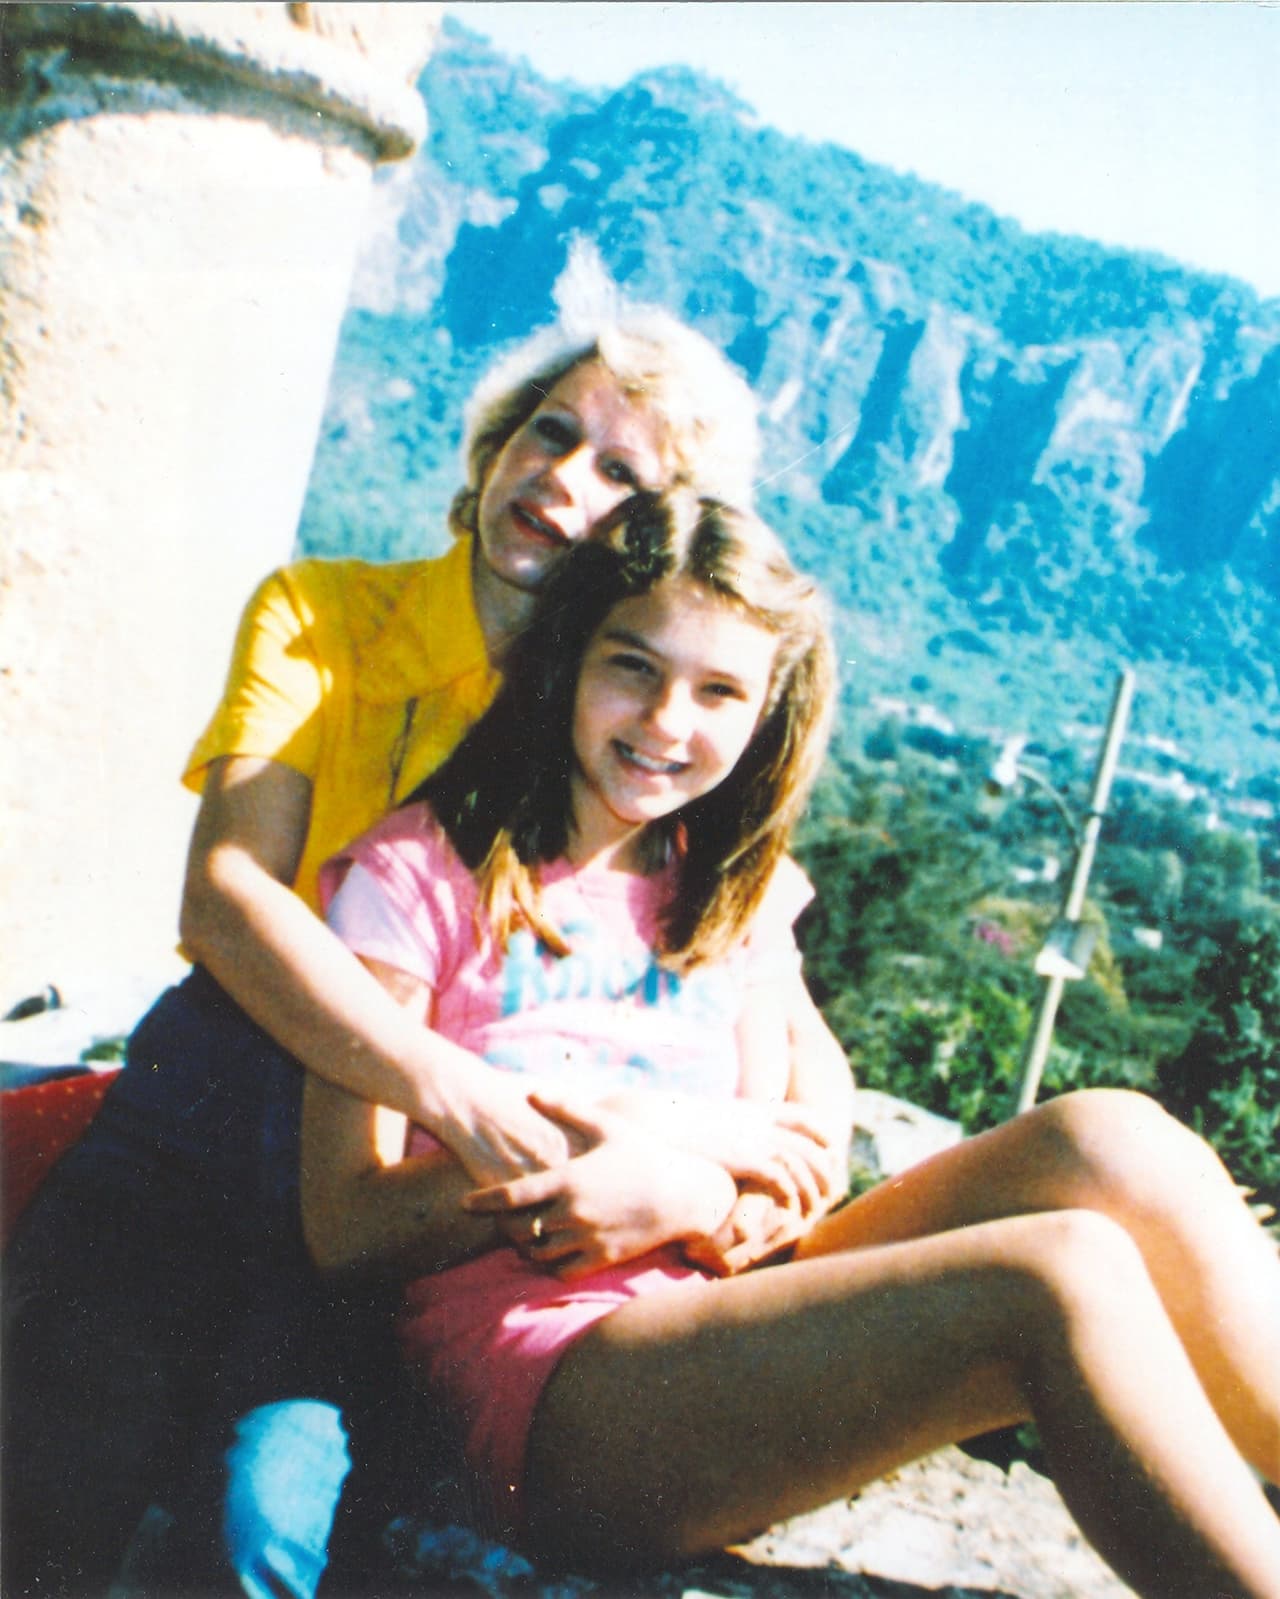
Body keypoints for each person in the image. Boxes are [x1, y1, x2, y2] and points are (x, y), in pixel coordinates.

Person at [1, 306, 851, 1599]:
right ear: (490, 445)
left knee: (267, 1517)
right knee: (66, 1448)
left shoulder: (632, 718)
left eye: (620, 472)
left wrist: (773, 1163)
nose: (563, 477)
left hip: (424, 1200)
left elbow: (770, 986)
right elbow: (230, 891)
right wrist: (451, 1086)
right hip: (230, 1103)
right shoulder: (326, 614)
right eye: (547, 432)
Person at [303, 495, 1280, 1599]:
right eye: (633, 667)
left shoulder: (724, 888)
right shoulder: (418, 877)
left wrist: (691, 1187)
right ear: (566, 657)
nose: (667, 721)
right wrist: (586, 1167)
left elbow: (808, 1139)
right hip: (557, 1382)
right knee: (1059, 1277)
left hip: (734, 1304)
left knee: (1109, 1140)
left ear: (769, 706)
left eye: (718, 690)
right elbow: (342, 1224)